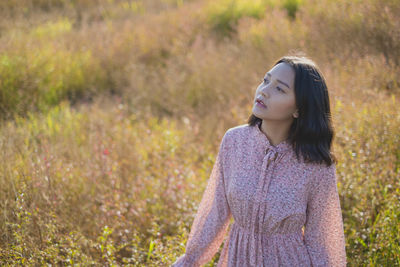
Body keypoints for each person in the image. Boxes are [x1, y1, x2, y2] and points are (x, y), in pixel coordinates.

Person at [171, 54, 347, 266]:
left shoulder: (316, 163)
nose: (264, 91)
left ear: (300, 108)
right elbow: (214, 213)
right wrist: (189, 261)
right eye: (265, 81)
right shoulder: (234, 141)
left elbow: (324, 240)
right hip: (238, 259)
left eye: (279, 89)